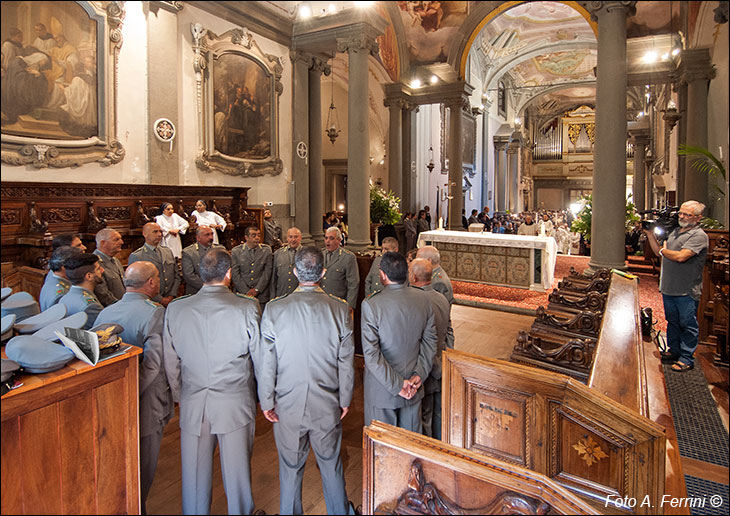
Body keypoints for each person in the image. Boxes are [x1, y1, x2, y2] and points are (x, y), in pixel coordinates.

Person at [163, 248, 263, 515]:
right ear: (229, 274)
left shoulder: (175, 309)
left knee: (194, 478)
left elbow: (171, 362)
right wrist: (265, 397)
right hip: (234, 401)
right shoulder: (246, 307)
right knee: (237, 476)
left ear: (201, 274)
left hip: (194, 401)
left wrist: (181, 395)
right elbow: (260, 358)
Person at [259, 246, 355, 515]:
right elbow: (345, 362)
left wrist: (267, 400)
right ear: (323, 273)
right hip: (327, 401)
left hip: (287, 402)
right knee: (331, 464)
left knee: (290, 468)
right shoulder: (339, 309)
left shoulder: (274, 310)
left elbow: (267, 362)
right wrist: (345, 399)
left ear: (294, 272)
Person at [95, 262, 171, 514]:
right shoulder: (154, 312)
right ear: (151, 283)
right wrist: (130, 392)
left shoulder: (106, 312)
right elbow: (154, 363)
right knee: (143, 469)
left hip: (111, 403)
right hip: (145, 402)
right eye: (158, 278)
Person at [361, 252, 437, 432]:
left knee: (381, 451)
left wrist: (397, 385)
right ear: (407, 273)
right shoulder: (424, 299)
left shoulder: (371, 304)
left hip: (382, 391)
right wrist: (419, 374)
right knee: (410, 450)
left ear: (383, 275)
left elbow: (371, 354)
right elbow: (430, 342)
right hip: (414, 386)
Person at [644, 200, 709, 372]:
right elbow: (659, 252)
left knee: (687, 323)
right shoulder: (674, 232)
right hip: (669, 286)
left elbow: (681, 256)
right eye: (681, 213)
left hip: (686, 289)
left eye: (687, 215)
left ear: (698, 218)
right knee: (672, 322)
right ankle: (674, 351)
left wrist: (663, 251)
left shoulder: (699, 235)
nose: (682, 217)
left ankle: (686, 358)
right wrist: (650, 235)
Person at [409, 258, 453, 440]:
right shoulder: (441, 298)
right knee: (437, 414)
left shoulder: (415, 301)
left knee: (423, 416)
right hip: (439, 363)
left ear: (413, 277)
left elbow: (413, 339)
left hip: (422, 368)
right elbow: (449, 330)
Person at [128, 222, 180, 307]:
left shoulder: (167, 251)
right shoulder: (138, 256)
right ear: (145, 234)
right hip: (150, 303)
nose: (159, 234)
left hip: (171, 300)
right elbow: (136, 284)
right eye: (155, 232)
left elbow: (176, 275)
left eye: (160, 232)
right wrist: (160, 299)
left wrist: (172, 295)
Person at [59, 253, 104, 329]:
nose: (103, 270)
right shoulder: (91, 306)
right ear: (89, 276)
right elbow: (100, 333)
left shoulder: (64, 298)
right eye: (98, 269)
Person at [231, 226, 273, 306]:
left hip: (261, 295)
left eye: (259, 235)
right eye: (254, 235)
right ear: (246, 237)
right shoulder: (236, 251)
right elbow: (235, 274)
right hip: (242, 295)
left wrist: (257, 289)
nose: (257, 238)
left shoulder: (266, 250)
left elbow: (267, 272)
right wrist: (246, 291)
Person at [320, 227, 359, 310]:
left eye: (331, 238)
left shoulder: (348, 257)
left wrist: (350, 306)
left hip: (338, 303)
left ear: (339, 240)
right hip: (321, 302)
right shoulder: (320, 255)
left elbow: (353, 283)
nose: (327, 241)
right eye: (326, 238)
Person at [181, 225, 224, 295]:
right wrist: (208, 287)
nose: (211, 237)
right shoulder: (189, 252)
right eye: (207, 235)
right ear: (198, 238)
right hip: (197, 293)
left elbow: (225, 270)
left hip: (218, 292)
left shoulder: (220, 250)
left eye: (211, 234)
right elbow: (189, 276)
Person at [39, 245, 81, 311]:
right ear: (64, 267)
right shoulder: (60, 295)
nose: (80, 269)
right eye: (77, 265)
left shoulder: (53, 278)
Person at [93, 228, 125, 306]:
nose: (121, 242)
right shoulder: (94, 262)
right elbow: (102, 294)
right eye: (116, 240)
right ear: (103, 243)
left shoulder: (115, 260)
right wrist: (121, 306)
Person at [270, 227, 303, 298]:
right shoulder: (278, 253)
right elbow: (274, 279)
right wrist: (272, 298)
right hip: (282, 295)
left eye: (296, 237)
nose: (293, 240)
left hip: (299, 297)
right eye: (290, 237)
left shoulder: (306, 253)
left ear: (300, 238)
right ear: (287, 238)